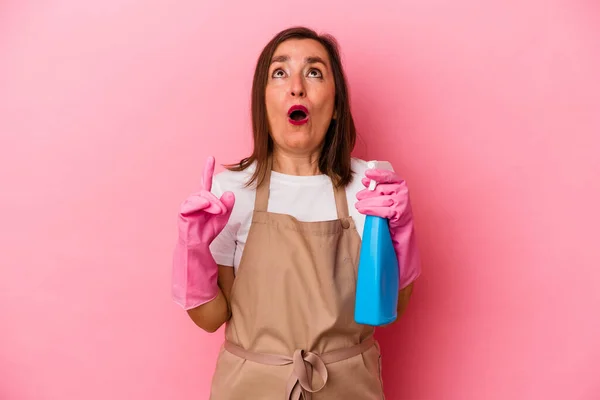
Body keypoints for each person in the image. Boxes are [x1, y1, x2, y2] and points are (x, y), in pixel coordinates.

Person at [171, 26, 421, 399]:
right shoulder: (230, 192)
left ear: (336, 105)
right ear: (264, 100)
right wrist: (194, 251)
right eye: (280, 72)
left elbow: (392, 308)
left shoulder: (370, 186)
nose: (297, 86)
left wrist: (402, 238)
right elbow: (210, 320)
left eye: (315, 71)